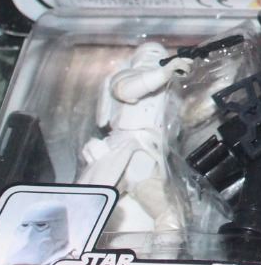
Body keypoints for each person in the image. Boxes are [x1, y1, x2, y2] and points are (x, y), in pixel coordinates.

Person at [77, 42, 191, 251]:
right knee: (89, 207)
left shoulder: (171, 92)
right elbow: (127, 90)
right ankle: (75, 252)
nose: (152, 57)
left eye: (157, 54)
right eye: (148, 53)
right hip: (120, 150)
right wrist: (164, 72)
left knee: (172, 219)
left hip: (149, 159)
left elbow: (188, 117)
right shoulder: (125, 77)